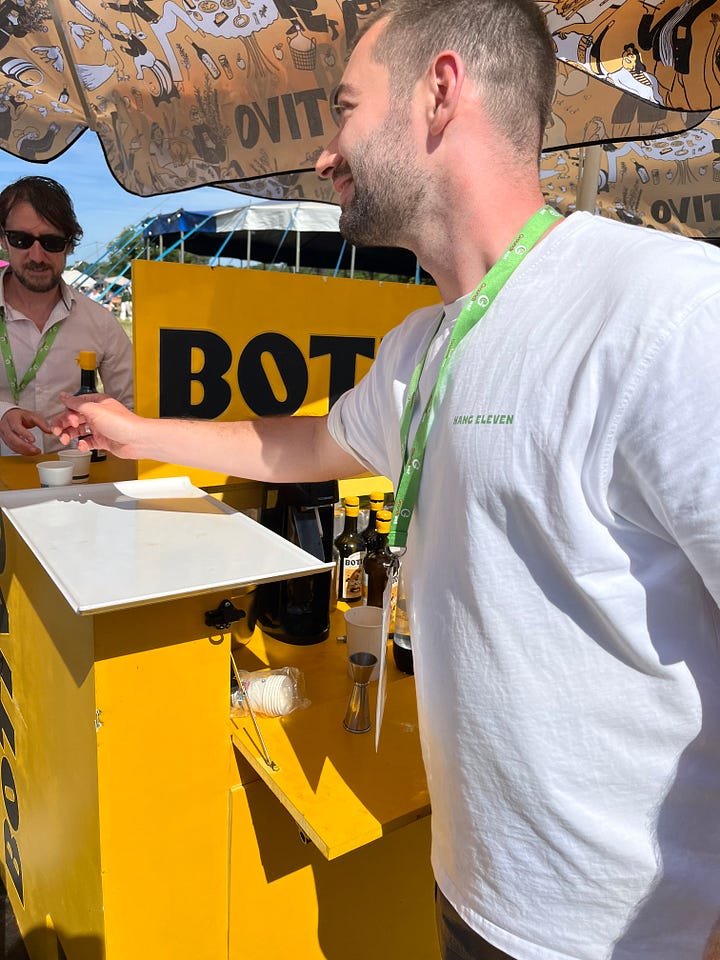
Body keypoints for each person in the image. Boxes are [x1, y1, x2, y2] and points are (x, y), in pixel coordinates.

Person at [53, 2, 720, 958]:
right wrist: (127, 428)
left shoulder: (667, 314)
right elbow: (300, 447)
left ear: (440, 93)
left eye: (346, 109)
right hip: (471, 897)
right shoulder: (423, 344)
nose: (325, 154)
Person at [0, 176, 134, 455]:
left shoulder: (101, 323)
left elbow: (132, 410)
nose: (36, 255)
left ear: (70, 245)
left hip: (75, 486)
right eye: (21, 240)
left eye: (51, 242)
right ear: (3, 239)